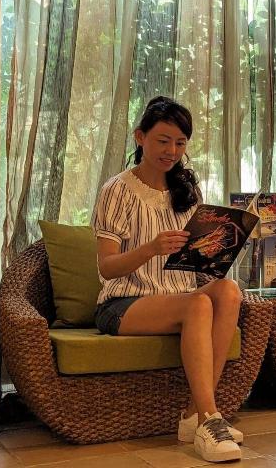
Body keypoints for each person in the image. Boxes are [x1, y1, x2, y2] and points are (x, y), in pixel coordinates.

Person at [92, 96, 243, 462]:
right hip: (123, 303)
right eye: (163, 140)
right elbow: (107, 268)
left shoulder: (187, 192)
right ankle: (210, 419)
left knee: (228, 291)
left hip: (180, 295)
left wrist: (218, 250)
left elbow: (197, 267)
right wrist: (151, 249)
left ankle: (195, 415)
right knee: (198, 304)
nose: (172, 151)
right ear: (140, 137)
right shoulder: (117, 190)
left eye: (180, 142)